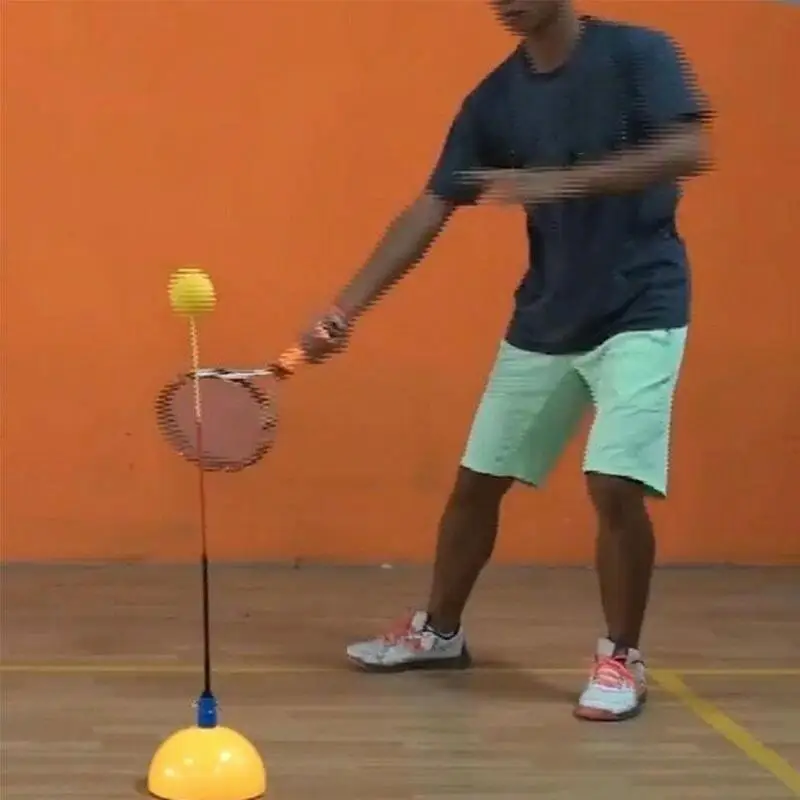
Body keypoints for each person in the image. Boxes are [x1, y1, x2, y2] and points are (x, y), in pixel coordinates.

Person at [298, 0, 711, 722]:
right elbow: (430, 207)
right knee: (477, 483)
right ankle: (439, 633)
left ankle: (621, 657)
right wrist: (344, 309)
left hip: (642, 306)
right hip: (546, 316)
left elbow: (688, 150)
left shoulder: (639, 54)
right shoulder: (495, 99)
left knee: (613, 482)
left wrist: (566, 182)